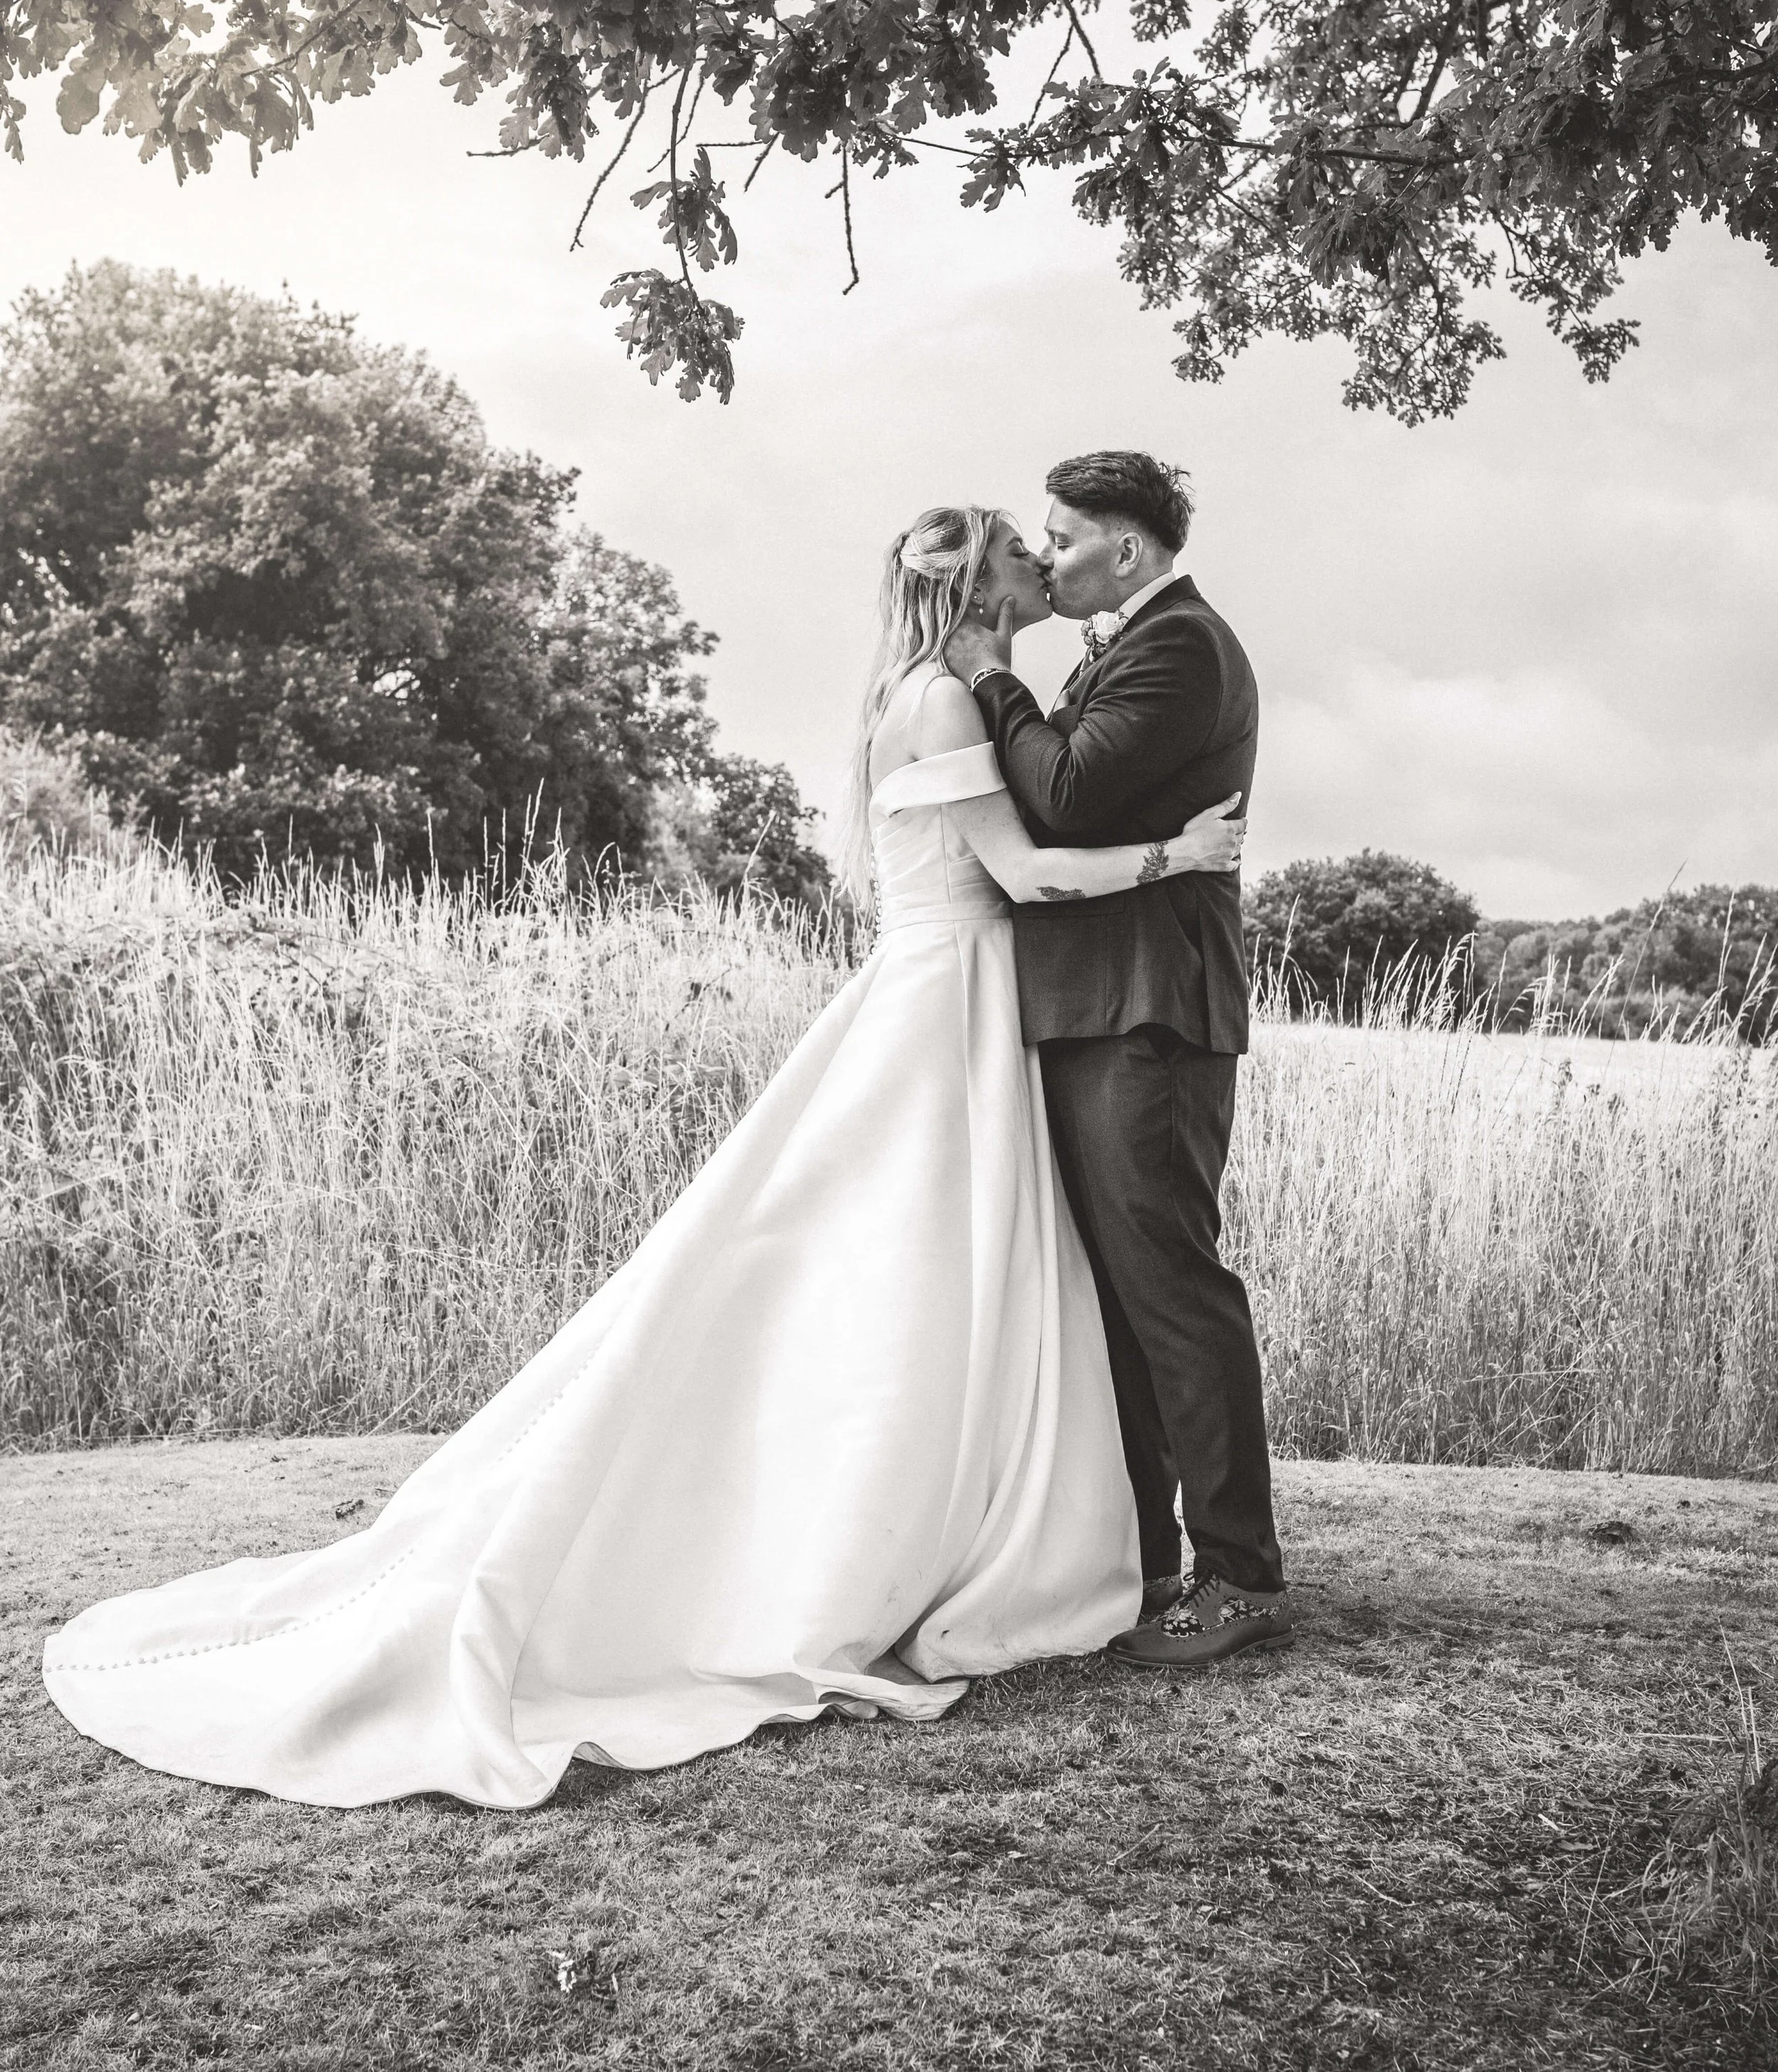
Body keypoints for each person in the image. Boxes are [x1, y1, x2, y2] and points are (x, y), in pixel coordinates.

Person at [42, 503, 1245, 1810]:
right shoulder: (946, 702)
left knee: (924, 1278)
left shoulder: (940, 690)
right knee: (893, 1272)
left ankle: (967, 1525)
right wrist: (1173, 854)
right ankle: (866, 1544)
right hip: (945, 1006)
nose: (1040, 563)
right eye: (1022, 548)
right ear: (974, 583)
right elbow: (1020, 873)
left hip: (954, 1005)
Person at [942, 452, 1292, 1669]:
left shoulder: (1182, 647)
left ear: (1126, 550)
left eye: (1064, 537)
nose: (1047, 557)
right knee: (1117, 1300)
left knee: (1172, 1287)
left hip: (1152, 1007)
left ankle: (1240, 1576)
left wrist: (992, 679)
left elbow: (1072, 797)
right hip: (1094, 1005)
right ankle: (1148, 1562)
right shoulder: (1118, 647)